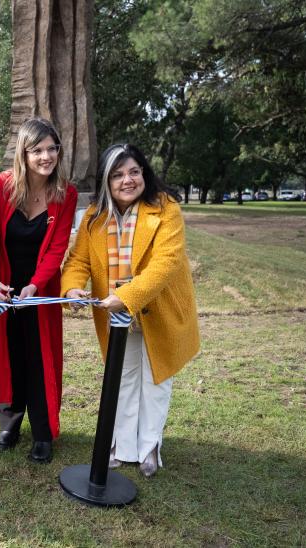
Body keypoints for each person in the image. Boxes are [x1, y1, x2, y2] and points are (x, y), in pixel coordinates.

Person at [61, 143, 199, 477]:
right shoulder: (94, 216)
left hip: (158, 310)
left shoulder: (166, 209)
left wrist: (128, 295)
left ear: (144, 174)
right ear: (106, 181)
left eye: (134, 172)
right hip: (116, 315)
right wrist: (72, 287)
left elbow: (166, 264)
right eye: (118, 174)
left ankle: (150, 446)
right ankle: (122, 447)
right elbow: (78, 260)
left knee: (156, 378)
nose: (127, 180)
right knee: (121, 377)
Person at [0, 117, 77, 463]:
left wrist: (35, 284)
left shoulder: (66, 193)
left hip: (40, 291)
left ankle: (42, 431)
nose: (46, 156)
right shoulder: (1, 186)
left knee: (39, 357)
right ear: (24, 152)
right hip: (2, 286)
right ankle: (10, 422)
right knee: (9, 352)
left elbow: (57, 248)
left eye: (51, 148)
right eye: (37, 150)